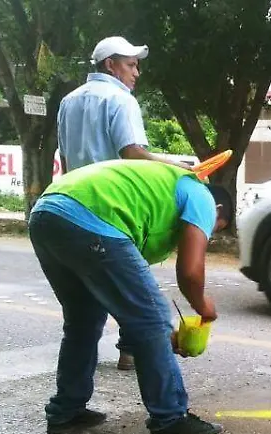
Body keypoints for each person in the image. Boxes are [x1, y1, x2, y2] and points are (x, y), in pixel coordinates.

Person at [28, 160, 232, 434]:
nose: (205, 235)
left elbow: (128, 298)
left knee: (83, 321)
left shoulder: (159, 196)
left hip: (47, 213)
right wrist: (202, 307)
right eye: (213, 229)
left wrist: (158, 337)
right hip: (91, 217)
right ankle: (170, 417)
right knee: (153, 317)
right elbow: (189, 273)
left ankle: (67, 411)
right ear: (218, 210)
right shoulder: (203, 197)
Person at [57, 35, 190, 371]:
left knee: (83, 313)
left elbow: (64, 155)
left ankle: (68, 407)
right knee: (140, 294)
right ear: (110, 65)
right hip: (114, 209)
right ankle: (136, 355)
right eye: (131, 65)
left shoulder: (68, 102)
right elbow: (133, 153)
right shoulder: (121, 100)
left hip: (72, 205)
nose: (136, 73)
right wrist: (181, 169)